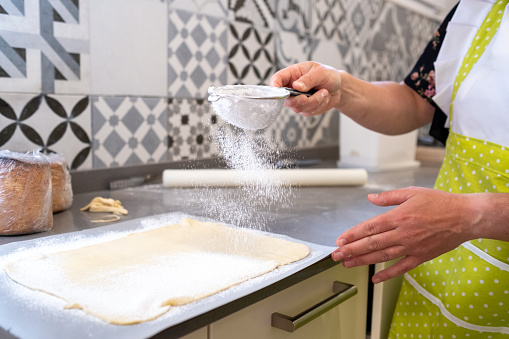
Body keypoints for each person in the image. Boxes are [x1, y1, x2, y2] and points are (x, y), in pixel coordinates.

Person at [270, 0, 509, 338]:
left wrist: (466, 216)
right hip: (442, 268)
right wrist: (342, 89)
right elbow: (415, 102)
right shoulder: (478, 11)